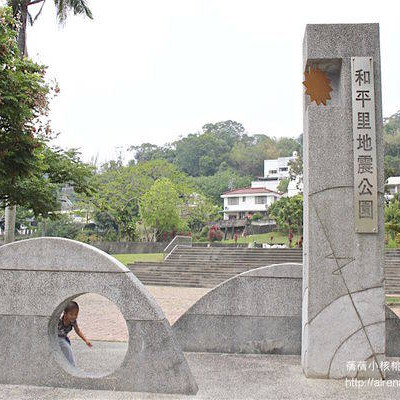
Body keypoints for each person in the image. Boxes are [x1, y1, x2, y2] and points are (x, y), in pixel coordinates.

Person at [58, 301, 92, 366]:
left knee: (66, 349)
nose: (73, 316)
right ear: (65, 313)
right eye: (71, 314)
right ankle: (72, 366)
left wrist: (86, 340)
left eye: (76, 314)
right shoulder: (59, 320)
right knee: (67, 348)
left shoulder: (73, 321)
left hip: (63, 338)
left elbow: (78, 331)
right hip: (56, 337)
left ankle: (68, 366)